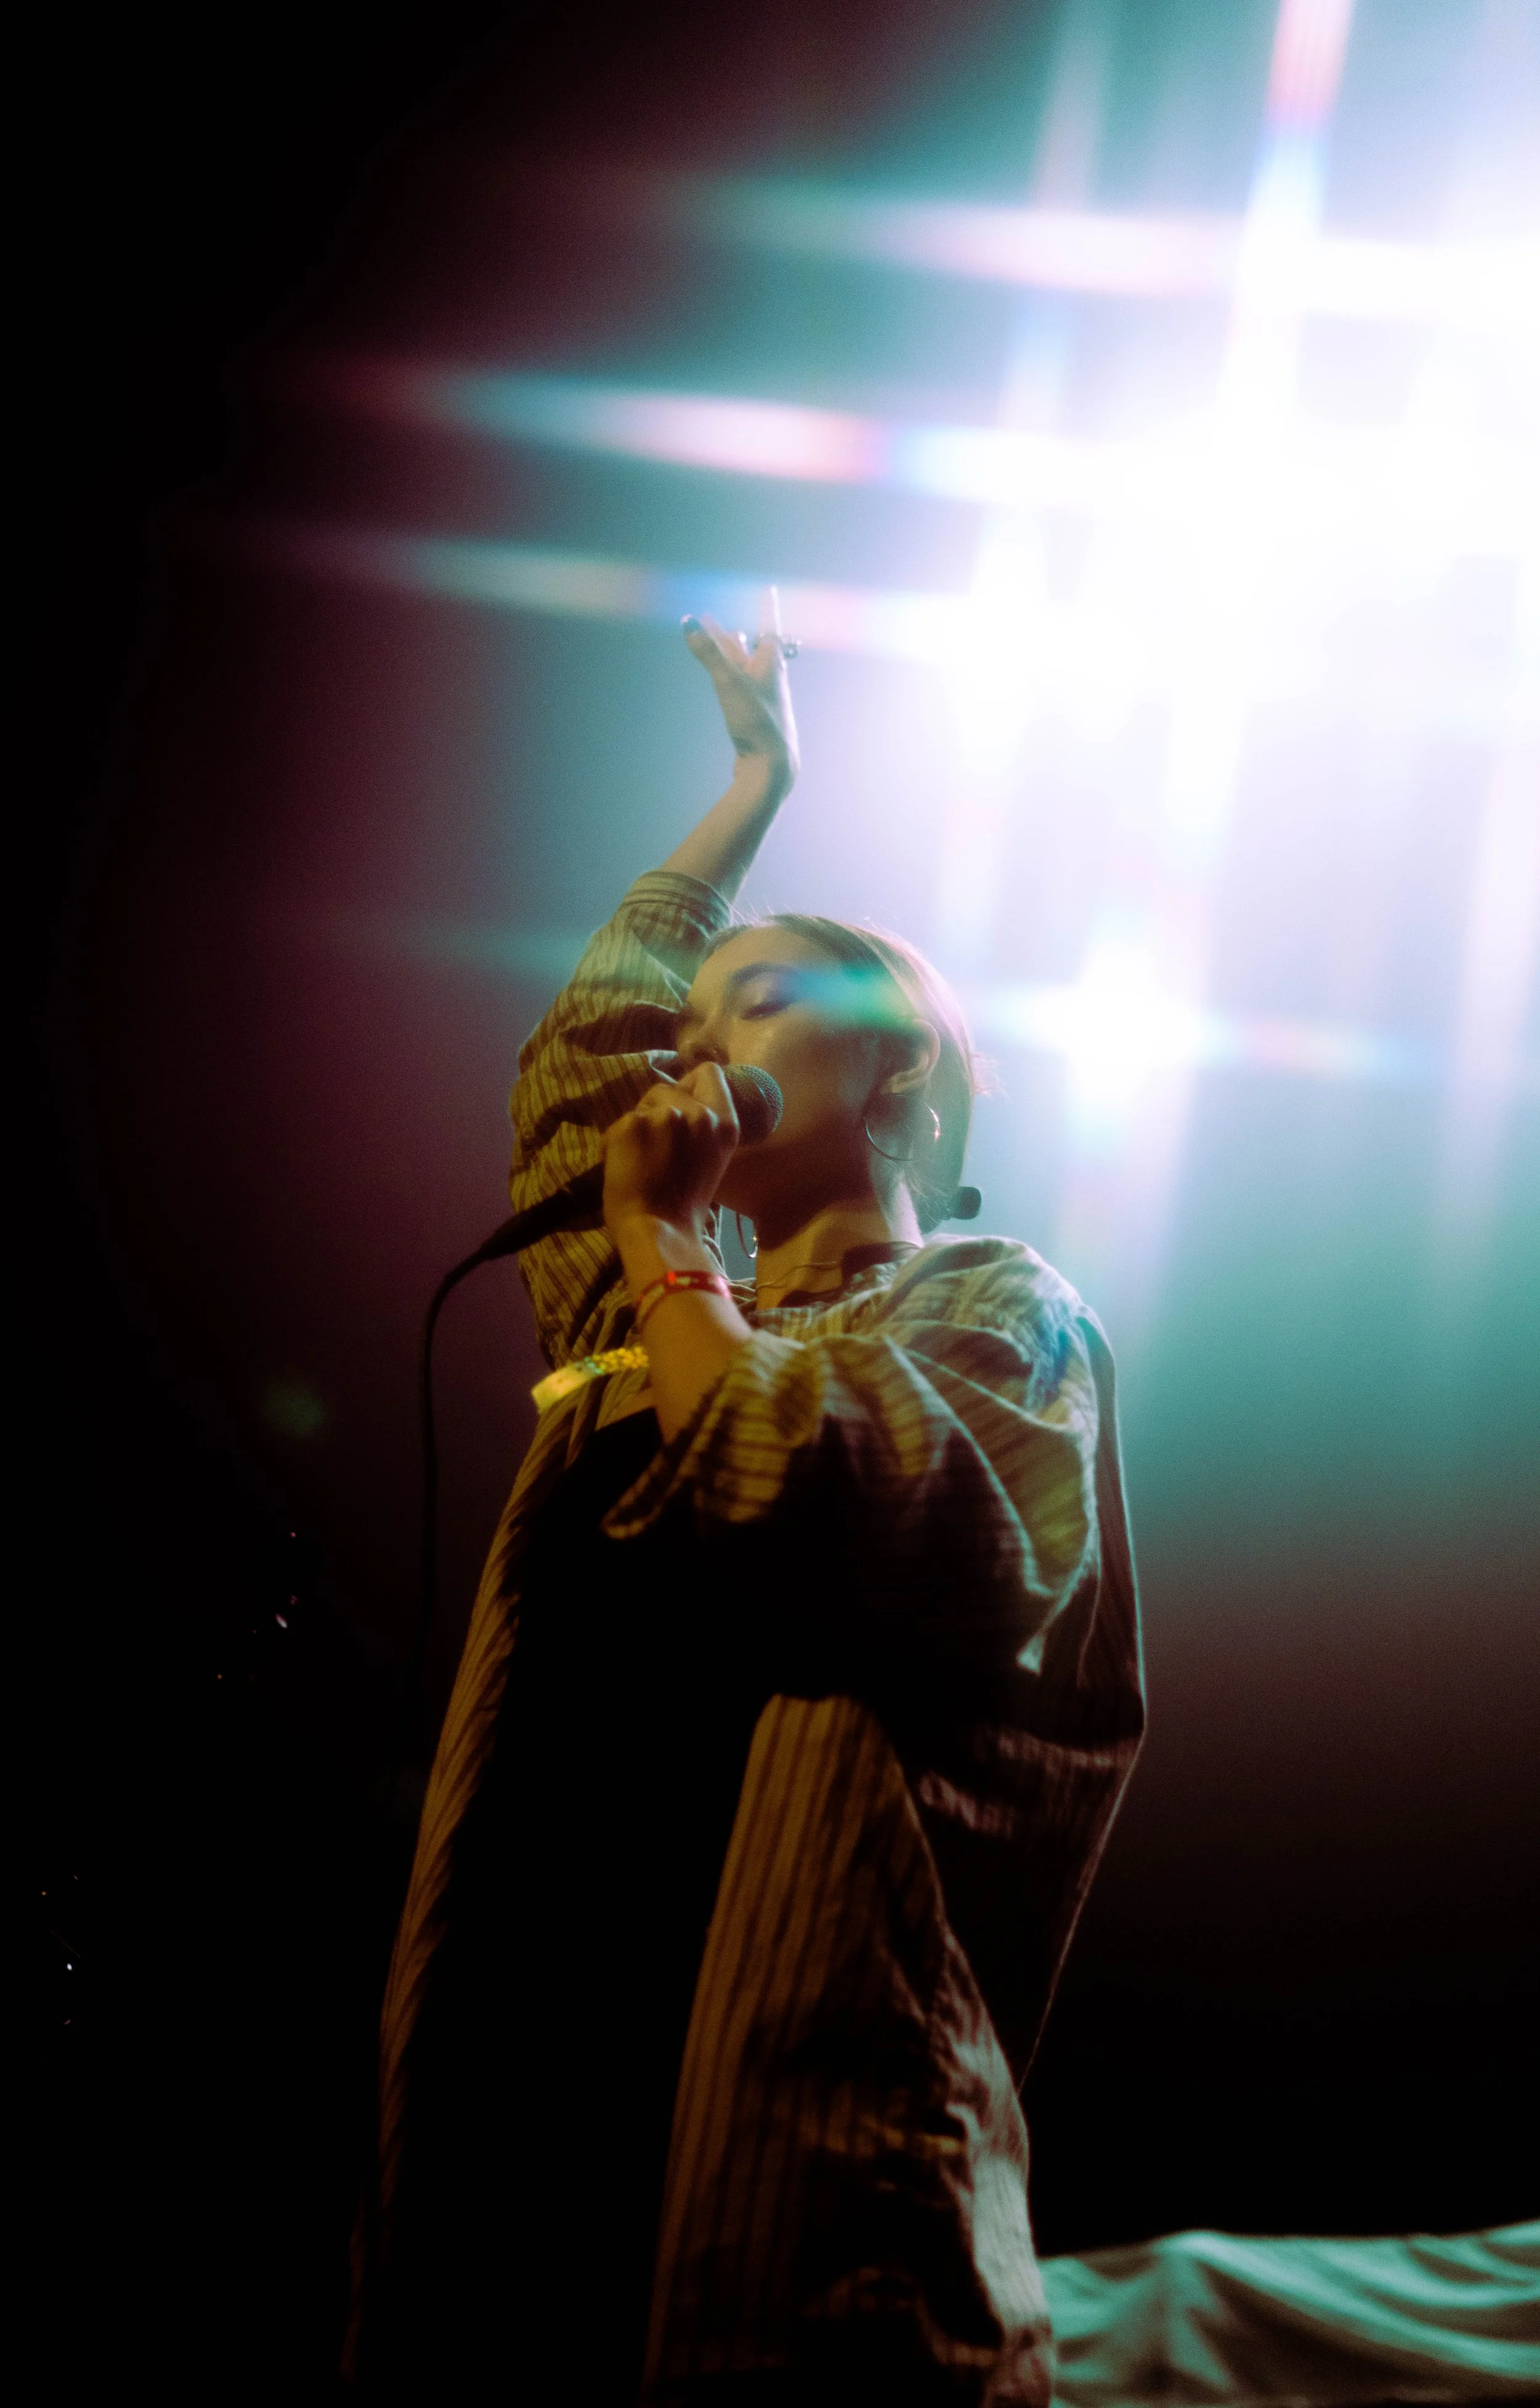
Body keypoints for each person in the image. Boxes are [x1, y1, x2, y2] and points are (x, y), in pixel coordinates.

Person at [349, 614, 1145, 2404]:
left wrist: (663, 1251)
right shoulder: (651, 1339)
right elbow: (579, 1067)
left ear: (897, 1074)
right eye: (694, 1023)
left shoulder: (997, 1311)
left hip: (793, 2187)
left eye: (762, 1006)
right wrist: (754, 786)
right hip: (541, 2155)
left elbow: (806, 1494)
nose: (690, 1054)